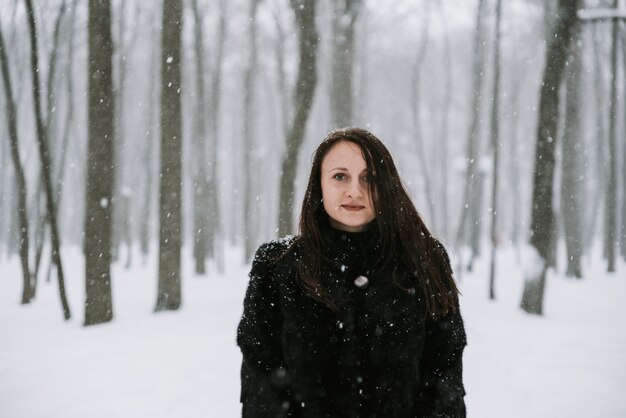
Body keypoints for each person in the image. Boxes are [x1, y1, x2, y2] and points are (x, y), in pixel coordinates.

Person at [237, 127, 466, 417]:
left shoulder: (425, 261)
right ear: (319, 184)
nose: (355, 191)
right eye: (340, 176)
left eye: (369, 177)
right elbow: (261, 383)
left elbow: (444, 378)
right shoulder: (277, 266)